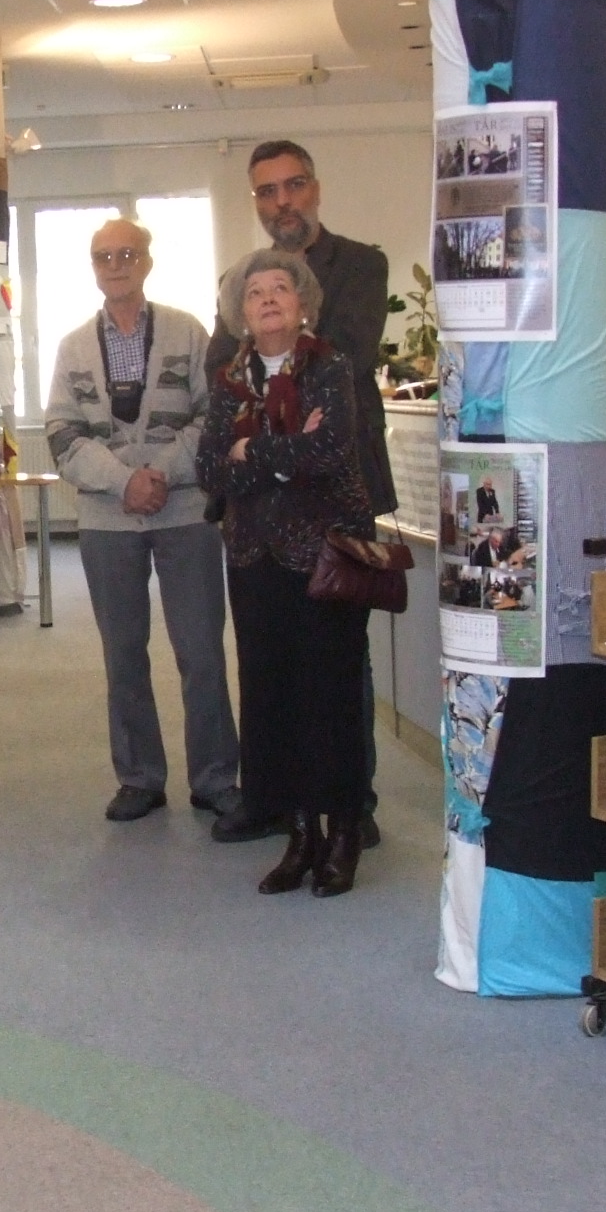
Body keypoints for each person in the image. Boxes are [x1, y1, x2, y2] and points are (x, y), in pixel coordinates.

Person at [206, 141, 392, 847]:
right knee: (265, 660)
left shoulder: (362, 265)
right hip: (256, 521)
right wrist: (266, 444)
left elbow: (345, 358)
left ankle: (349, 805)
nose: (281, 201)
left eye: (293, 186)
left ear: (314, 188)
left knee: (338, 663)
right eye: (267, 191)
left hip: (335, 500)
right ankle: (273, 799)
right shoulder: (241, 277)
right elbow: (223, 366)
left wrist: (255, 447)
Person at [45, 217, 241, 828]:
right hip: (107, 519)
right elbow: (61, 433)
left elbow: (215, 416)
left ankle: (215, 779)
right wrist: (121, 480)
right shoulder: (73, 346)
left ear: (148, 261)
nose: (116, 265)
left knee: (201, 651)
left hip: (184, 512)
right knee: (123, 654)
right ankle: (139, 778)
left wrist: (158, 472)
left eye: (127, 253)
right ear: (93, 267)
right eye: (104, 256)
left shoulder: (188, 331)